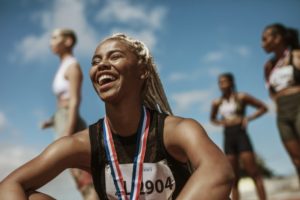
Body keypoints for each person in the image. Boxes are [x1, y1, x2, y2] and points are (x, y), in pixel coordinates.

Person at [0, 33, 234, 200]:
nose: (101, 65)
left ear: (142, 71)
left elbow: (219, 172)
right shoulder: (84, 143)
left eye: (114, 56)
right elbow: (11, 184)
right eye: (95, 61)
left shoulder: (176, 130)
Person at [40, 28, 98, 200]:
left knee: (83, 174)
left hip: (68, 120)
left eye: (55, 37)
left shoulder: (72, 66)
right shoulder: (63, 66)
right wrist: (51, 121)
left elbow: (74, 100)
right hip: (61, 118)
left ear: (68, 41)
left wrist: (68, 130)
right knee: (77, 173)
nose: (51, 41)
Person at [210, 73, 267, 200]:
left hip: (241, 134)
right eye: (220, 82)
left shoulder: (242, 97)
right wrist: (222, 122)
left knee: (253, 172)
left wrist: (248, 118)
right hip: (228, 136)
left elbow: (263, 107)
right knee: (234, 177)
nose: (222, 84)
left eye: (224, 81)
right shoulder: (217, 102)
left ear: (231, 82)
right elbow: (212, 119)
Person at [262, 23, 300, 184]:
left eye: (265, 39)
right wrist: (277, 100)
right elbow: (270, 90)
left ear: (278, 38)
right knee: (296, 159)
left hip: (298, 105)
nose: (262, 43)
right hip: (282, 113)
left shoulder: (296, 55)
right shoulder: (268, 65)